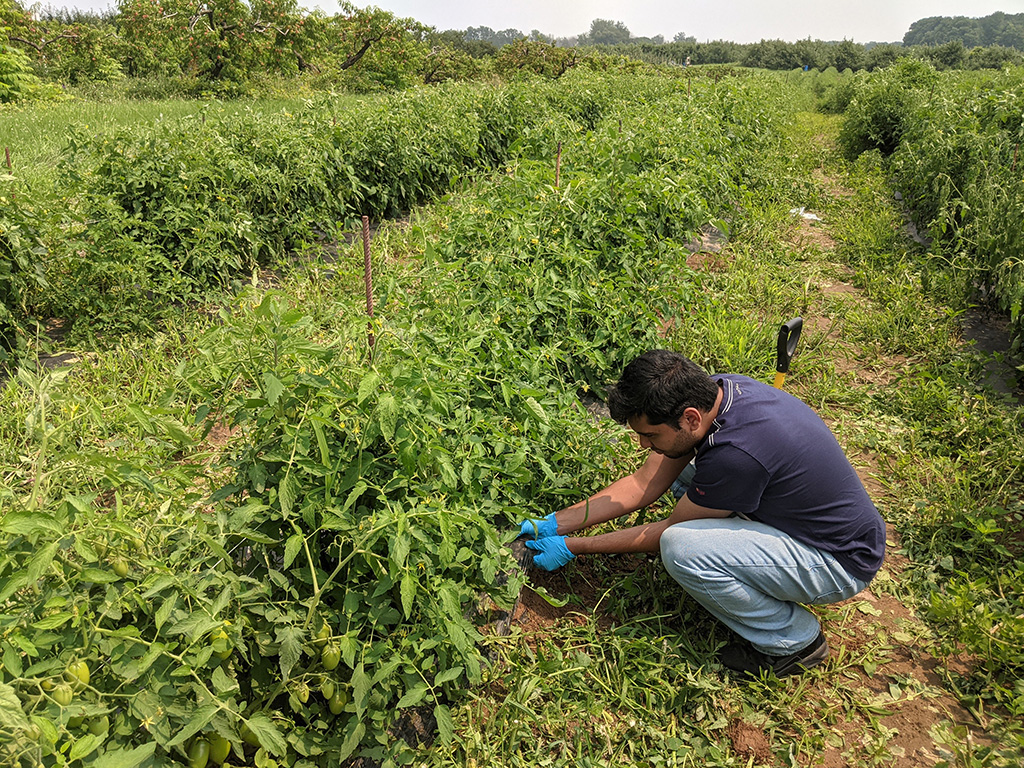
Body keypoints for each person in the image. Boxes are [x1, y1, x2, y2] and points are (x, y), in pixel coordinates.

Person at [517, 350, 885, 677]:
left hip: (836, 560)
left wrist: (574, 546)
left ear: (690, 417)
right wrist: (554, 522)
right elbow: (644, 482)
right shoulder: (718, 393)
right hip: (803, 520)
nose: (644, 444)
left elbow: (669, 531)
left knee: (682, 548)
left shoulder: (737, 454)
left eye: (650, 435)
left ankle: (793, 642)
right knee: (686, 467)